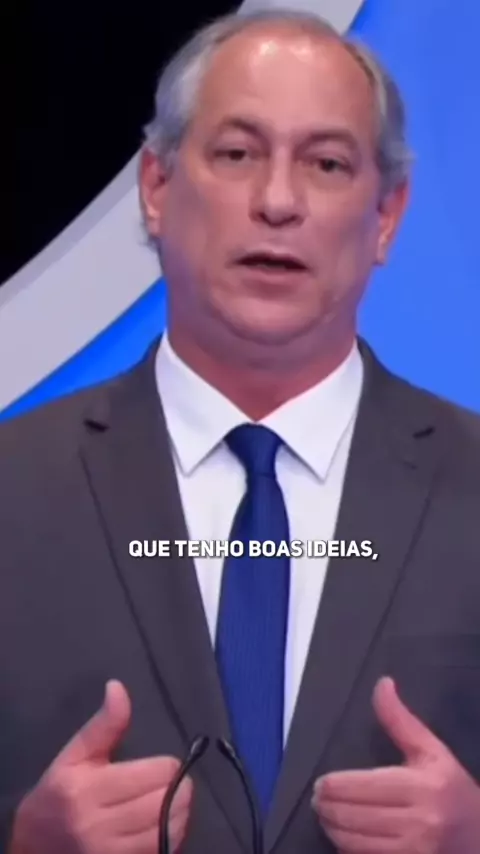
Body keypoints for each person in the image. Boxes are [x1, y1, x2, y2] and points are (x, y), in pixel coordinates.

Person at [1, 7, 480, 854]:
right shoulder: (13, 487)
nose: (278, 202)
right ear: (157, 187)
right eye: (236, 154)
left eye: (327, 164)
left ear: (386, 216)